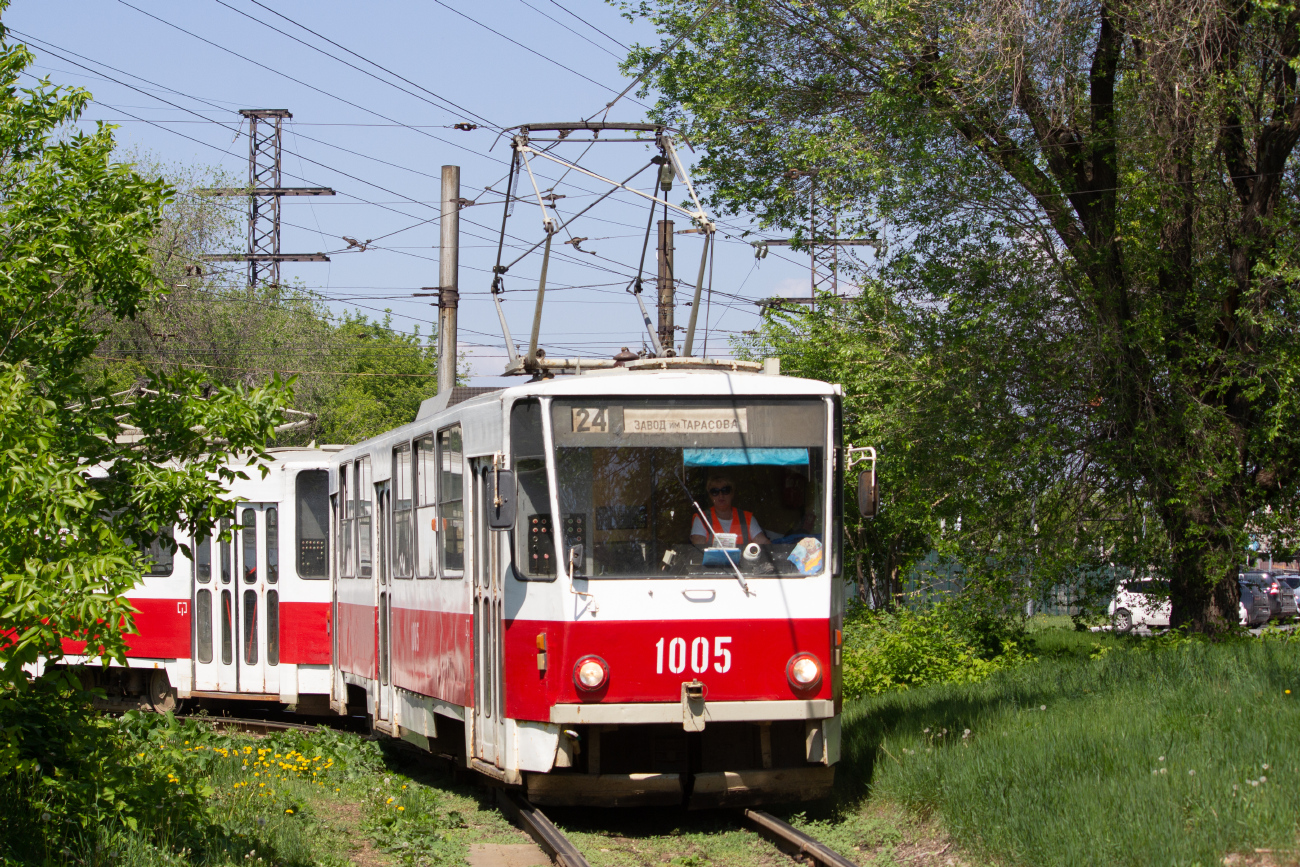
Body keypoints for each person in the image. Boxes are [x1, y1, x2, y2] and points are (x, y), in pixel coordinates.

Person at [690, 475, 770, 546]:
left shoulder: (747, 518)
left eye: (725, 490)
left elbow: (766, 546)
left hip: (742, 559)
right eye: (715, 492)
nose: (721, 496)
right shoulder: (701, 518)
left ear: (732, 493)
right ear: (710, 495)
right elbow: (699, 550)